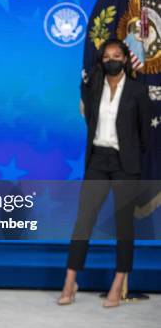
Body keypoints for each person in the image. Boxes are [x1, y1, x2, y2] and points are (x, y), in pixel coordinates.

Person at [59, 38, 152, 308]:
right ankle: (69, 282)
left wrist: (132, 160)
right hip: (98, 160)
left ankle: (117, 284)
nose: (111, 59)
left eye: (117, 55)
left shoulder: (137, 91)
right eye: (107, 56)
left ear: (125, 59)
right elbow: (88, 116)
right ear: (101, 60)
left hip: (125, 165)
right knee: (83, 222)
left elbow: (145, 136)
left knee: (124, 226)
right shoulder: (93, 88)